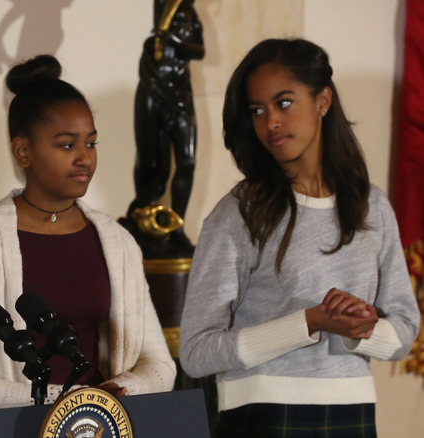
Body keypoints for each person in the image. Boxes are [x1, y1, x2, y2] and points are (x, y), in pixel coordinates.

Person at [179, 38, 420, 437]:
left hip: (352, 414)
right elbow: (196, 352)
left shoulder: (371, 206)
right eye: (257, 110)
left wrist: (359, 330)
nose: (270, 122)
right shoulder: (238, 213)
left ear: (322, 101)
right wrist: (309, 323)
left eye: (284, 103)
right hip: (261, 418)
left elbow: (405, 332)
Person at [0, 54, 176, 412]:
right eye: (67, 145)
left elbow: (160, 365)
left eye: (91, 143)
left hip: (103, 425)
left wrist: (111, 394)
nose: (85, 158)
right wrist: (63, 402)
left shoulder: (118, 241)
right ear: (23, 151)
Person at [122, 0, 204, 257]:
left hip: (180, 97)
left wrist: (172, 39)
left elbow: (199, 51)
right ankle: (141, 213)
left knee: (187, 161)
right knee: (150, 161)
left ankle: (177, 225)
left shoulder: (190, 15)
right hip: (152, 92)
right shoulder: (162, 8)